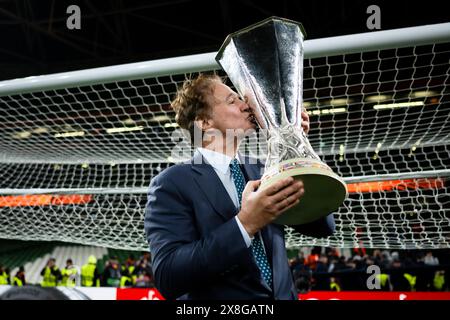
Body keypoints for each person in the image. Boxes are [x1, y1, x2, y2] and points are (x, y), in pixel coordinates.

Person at [144, 74, 335, 300]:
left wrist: (296, 146)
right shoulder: (171, 183)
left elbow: (323, 226)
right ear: (204, 123)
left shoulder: (266, 169)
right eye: (232, 101)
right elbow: (169, 277)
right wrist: (245, 224)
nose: (247, 106)